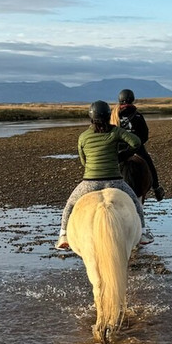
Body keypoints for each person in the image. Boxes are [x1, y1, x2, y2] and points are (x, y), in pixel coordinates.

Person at [55, 100, 153, 250]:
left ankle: (63, 235)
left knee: (70, 205)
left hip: (90, 182)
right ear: (108, 116)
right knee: (135, 202)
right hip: (114, 181)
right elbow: (136, 142)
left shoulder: (83, 137)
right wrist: (122, 155)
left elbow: (83, 162)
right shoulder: (116, 132)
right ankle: (143, 234)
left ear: (91, 118)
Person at [113, 88, 165, 201]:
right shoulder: (137, 116)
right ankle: (156, 189)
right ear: (132, 100)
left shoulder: (113, 116)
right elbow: (145, 135)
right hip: (136, 148)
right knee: (149, 165)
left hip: (119, 149)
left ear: (120, 100)